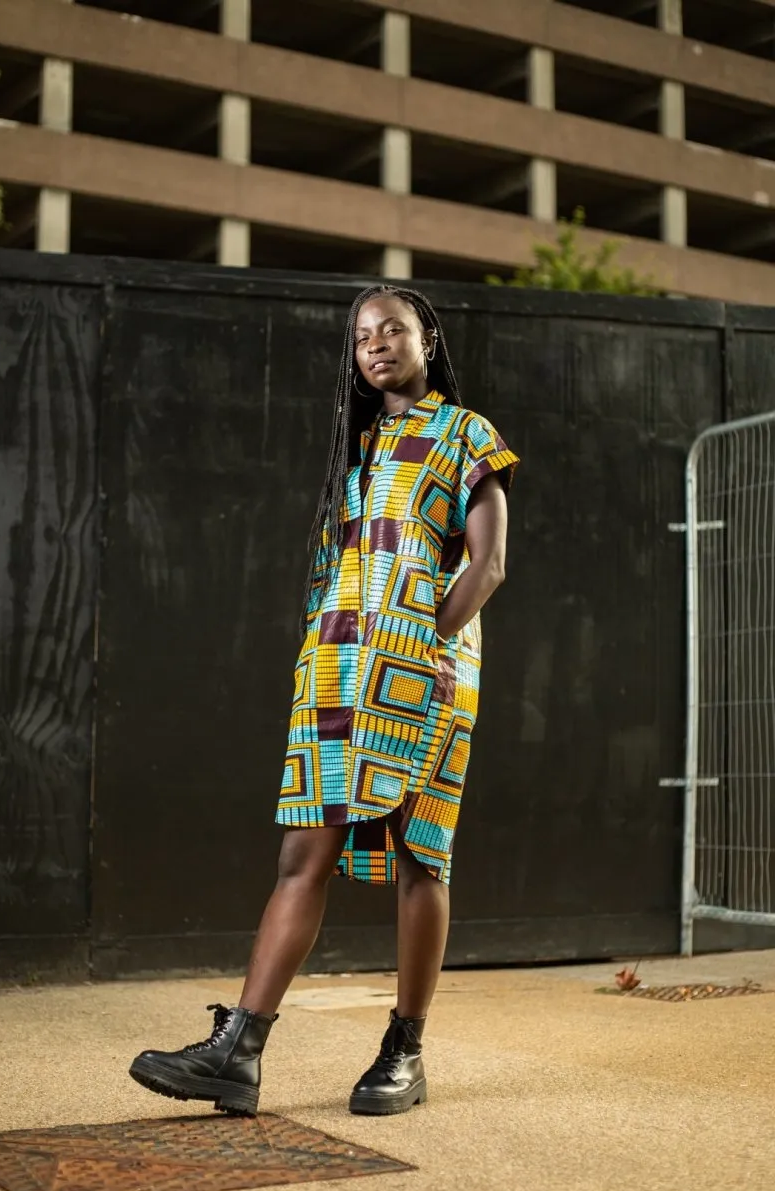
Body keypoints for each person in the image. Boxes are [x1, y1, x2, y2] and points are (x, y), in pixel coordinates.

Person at [129, 284, 519, 1118]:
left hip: (429, 670)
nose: (377, 344)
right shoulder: (359, 446)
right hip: (340, 671)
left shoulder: (465, 433)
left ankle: (405, 1050)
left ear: (428, 338)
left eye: (394, 329)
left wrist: (429, 643)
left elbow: (486, 565)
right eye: (363, 336)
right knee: (302, 854)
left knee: (421, 855)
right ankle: (239, 1050)